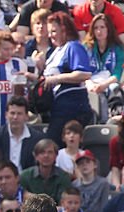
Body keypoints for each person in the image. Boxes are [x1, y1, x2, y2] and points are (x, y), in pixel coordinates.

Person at [42, 11, 96, 142]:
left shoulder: (73, 47)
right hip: (57, 107)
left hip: (72, 107)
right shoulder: (56, 51)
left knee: (52, 144)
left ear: (64, 29)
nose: (50, 36)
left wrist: (56, 78)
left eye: (54, 31)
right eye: (49, 32)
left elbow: (84, 74)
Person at [83, 13, 124, 122]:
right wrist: (90, 84)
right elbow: (82, 71)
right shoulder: (86, 48)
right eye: (96, 28)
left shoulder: (118, 48)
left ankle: (108, 122)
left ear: (108, 29)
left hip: (109, 83)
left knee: (112, 90)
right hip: (89, 83)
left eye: (102, 27)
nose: (99, 31)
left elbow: (117, 74)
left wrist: (103, 85)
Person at [0, 97, 43, 172]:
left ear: (26, 116)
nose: (15, 117)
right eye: (12, 113)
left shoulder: (37, 138)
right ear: (6, 115)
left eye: (19, 114)